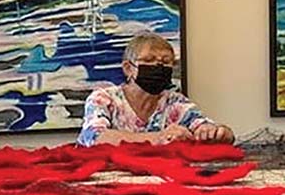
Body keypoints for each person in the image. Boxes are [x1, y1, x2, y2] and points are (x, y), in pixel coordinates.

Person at [77, 32, 234, 147]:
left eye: (166, 62)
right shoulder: (103, 98)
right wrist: (159, 137)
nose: (158, 66)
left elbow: (208, 127)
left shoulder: (175, 102)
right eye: (149, 60)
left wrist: (217, 133)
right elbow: (95, 136)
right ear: (128, 68)